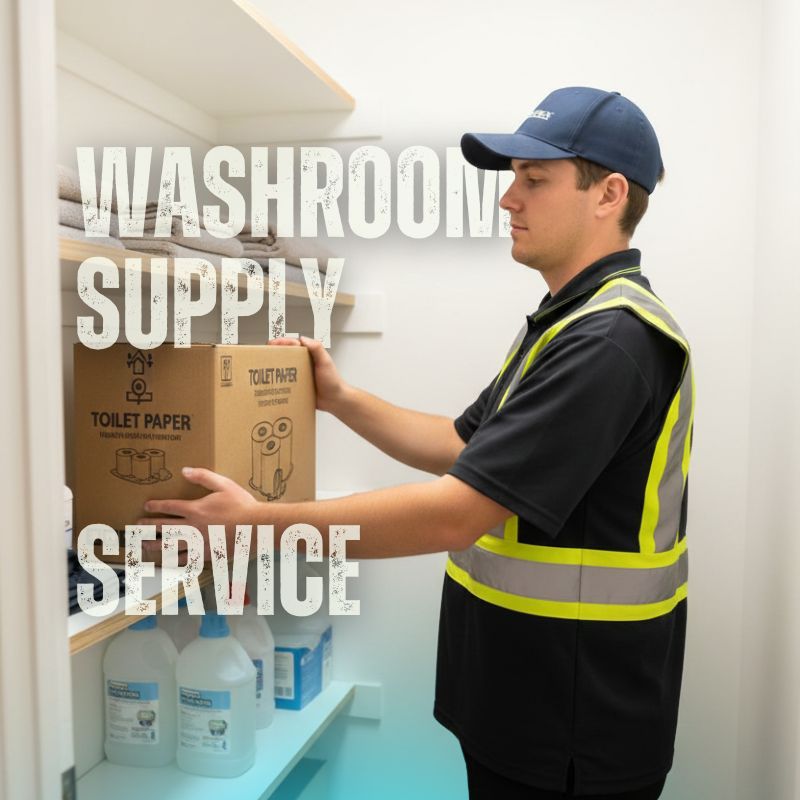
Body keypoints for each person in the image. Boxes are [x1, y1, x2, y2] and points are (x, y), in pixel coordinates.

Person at [141, 87, 693, 799]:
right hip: (532, 702)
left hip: (574, 725)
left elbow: (454, 513)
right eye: (511, 180)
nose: (508, 200)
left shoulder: (609, 341)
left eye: (534, 180)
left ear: (608, 194)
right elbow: (461, 444)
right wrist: (339, 398)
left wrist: (257, 526)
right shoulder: (567, 323)